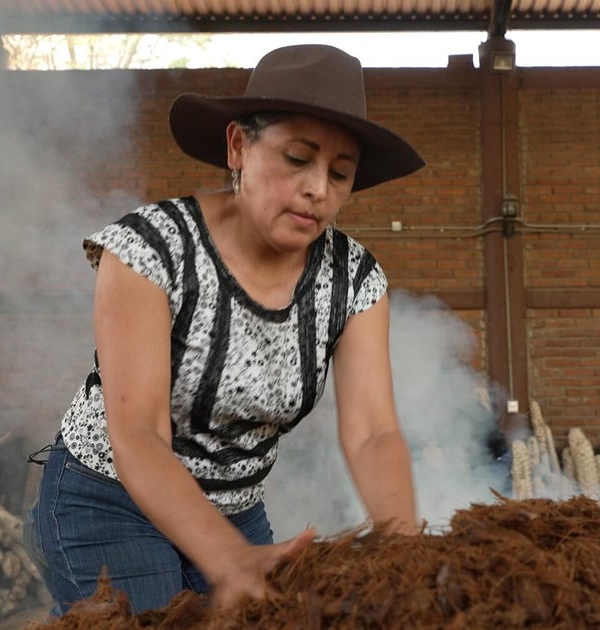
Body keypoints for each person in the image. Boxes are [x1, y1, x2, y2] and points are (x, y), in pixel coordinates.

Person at [24, 44, 426, 616]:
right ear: (238, 146)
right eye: (297, 159)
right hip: (109, 497)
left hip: (236, 510)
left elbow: (372, 434)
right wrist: (228, 559)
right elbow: (138, 432)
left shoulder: (354, 277)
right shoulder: (149, 249)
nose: (319, 189)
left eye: (340, 174)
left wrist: (404, 550)